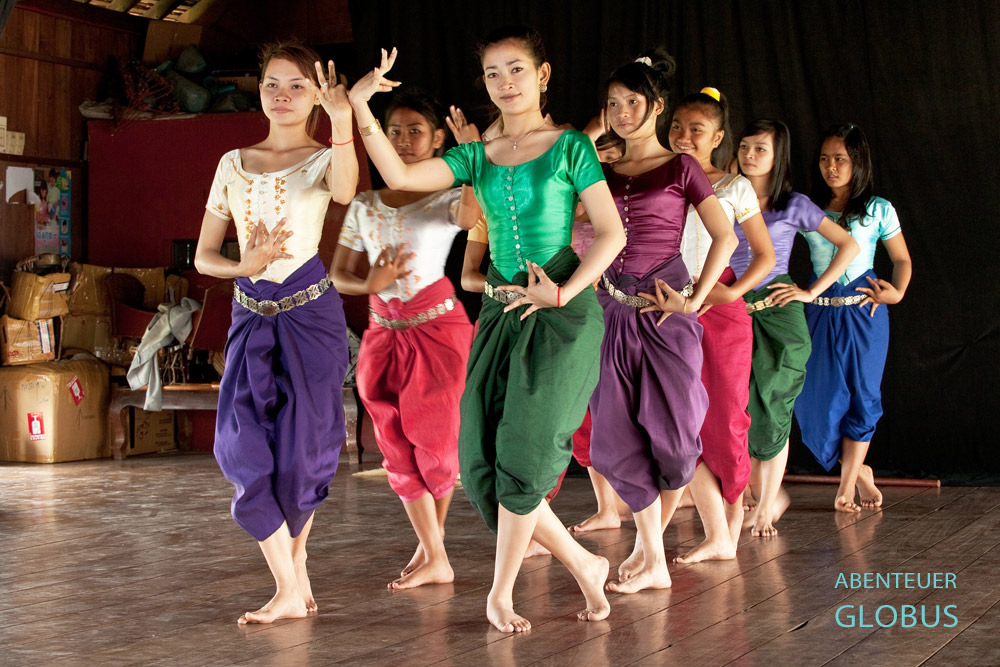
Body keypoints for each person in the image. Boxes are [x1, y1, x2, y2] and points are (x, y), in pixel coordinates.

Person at [348, 25, 626, 632]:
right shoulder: (476, 156)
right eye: (493, 74)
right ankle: (584, 562)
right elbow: (398, 172)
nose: (504, 84)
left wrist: (563, 290)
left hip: (560, 309)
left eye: (517, 70)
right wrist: (358, 105)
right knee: (479, 462)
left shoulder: (570, 146)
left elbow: (612, 233)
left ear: (542, 75)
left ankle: (500, 594)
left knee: (524, 453)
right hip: (500, 311)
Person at [194, 41, 357, 624]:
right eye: (271, 84)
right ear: (258, 89)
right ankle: (291, 583)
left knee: (305, 450)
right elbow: (205, 257)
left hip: (311, 315)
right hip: (248, 311)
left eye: (296, 86)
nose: (282, 96)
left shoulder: (324, 156)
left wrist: (343, 120)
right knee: (238, 443)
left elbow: (343, 190)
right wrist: (244, 266)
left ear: (316, 94)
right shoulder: (232, 162)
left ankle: (292, 581)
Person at [587, 53, 737, 592]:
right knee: (614, 436)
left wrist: (696, 300)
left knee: (674, 441)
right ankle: (651, 558)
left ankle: (655, 552)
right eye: (613, 104)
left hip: (666, 315)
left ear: (655, 106)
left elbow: (727, 238)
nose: (622, 113)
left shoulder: (682, 167)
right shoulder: (596, 168)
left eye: (632, 102)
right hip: (610, 312)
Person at [332, 88, 479, 589]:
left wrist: (475, 158)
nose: (404, 139)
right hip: (381, 335)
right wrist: (370, 284)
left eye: (416, 130)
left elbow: (467, 218)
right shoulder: (365, 204)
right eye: (394, 131)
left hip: (438, 333)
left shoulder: (446, 197)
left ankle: (433, 552)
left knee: (436, 447)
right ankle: (435, 555)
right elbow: (339, 275)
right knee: (393, 445)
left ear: (438, 139)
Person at [735, 120, 859, 535]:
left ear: (778, 157)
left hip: (777, 305)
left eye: (760, 149)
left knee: (774, 402)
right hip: (731, 304)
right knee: (741, 405)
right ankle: (761, 494)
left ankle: (767, 504)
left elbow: (849, 245)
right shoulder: (723, 196)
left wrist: (810, 291)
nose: (749, 155)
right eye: (745, 146)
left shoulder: (793, 204)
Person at [669, 88, 776, 562]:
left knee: (727, 415)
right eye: (677, 127)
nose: (684, 136)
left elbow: (765, 255)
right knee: (677, 417)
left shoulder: (733, 187)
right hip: (669, 307)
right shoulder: (659, 183)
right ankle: (710, 527)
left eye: (697, 129)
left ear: (717, 137)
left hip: (721, 311)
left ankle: (730, 521)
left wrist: (733, 292)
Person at [793, 123, 912, 512]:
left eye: (840, 159)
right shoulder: (806, 208)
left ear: (857, 162)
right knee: (815, 398)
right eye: (825, 159)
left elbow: (901, 259)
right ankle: (858, 469)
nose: (831, 166)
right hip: (818, 313)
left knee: (864, 395)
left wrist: (896, 291)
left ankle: (845, 489)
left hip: (865, 314)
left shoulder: (879, 209)